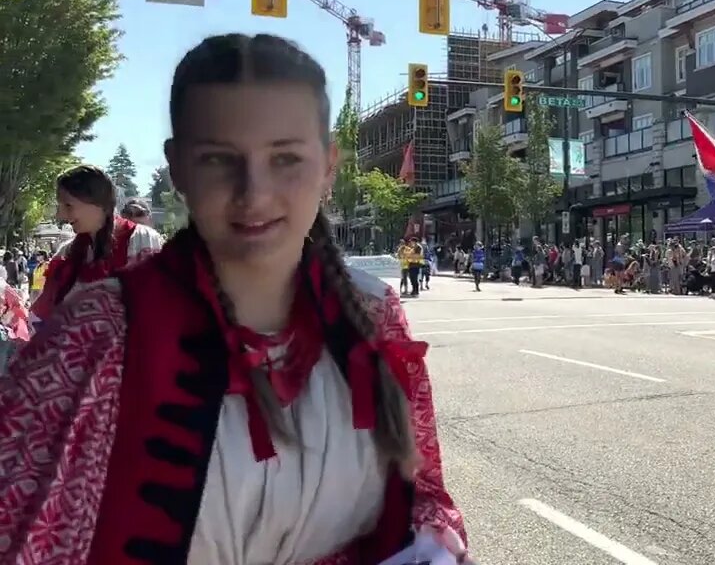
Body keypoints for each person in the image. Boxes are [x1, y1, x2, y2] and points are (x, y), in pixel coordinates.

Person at [0, 34, 469, 563]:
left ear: (328, 166)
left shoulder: (374, 314)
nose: (254, 193)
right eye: (220, 159)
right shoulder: (96, 335)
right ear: (177, 167)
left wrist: (436, 544)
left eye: (285, 158)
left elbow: (424, 496)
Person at [30, 165, 166, 322]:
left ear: (98, 203)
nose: (60, 215)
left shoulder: (142, 239)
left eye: (68, 205)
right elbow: (43, 314)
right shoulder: (67, 252)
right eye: (59, 206)